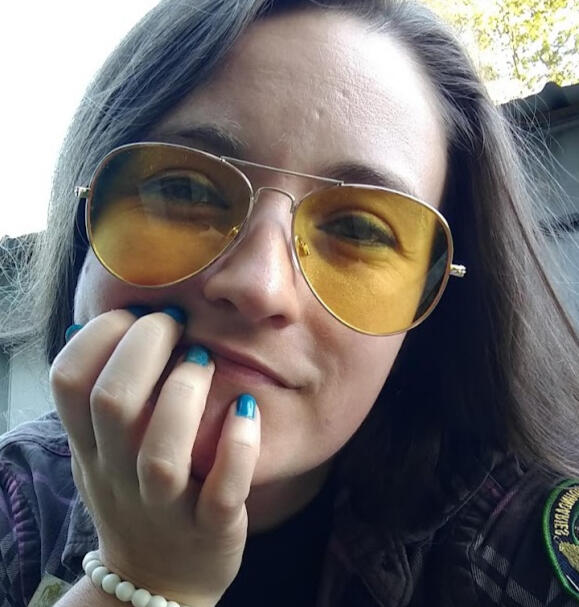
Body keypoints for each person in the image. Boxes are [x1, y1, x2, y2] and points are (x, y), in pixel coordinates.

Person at [0, 0, 578, 605]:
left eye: (360, 230)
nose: (260, 285)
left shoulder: (521, 554)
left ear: (432, 308)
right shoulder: (18, 500)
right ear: (84, 220)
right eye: (184, 189)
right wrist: (139, 579)